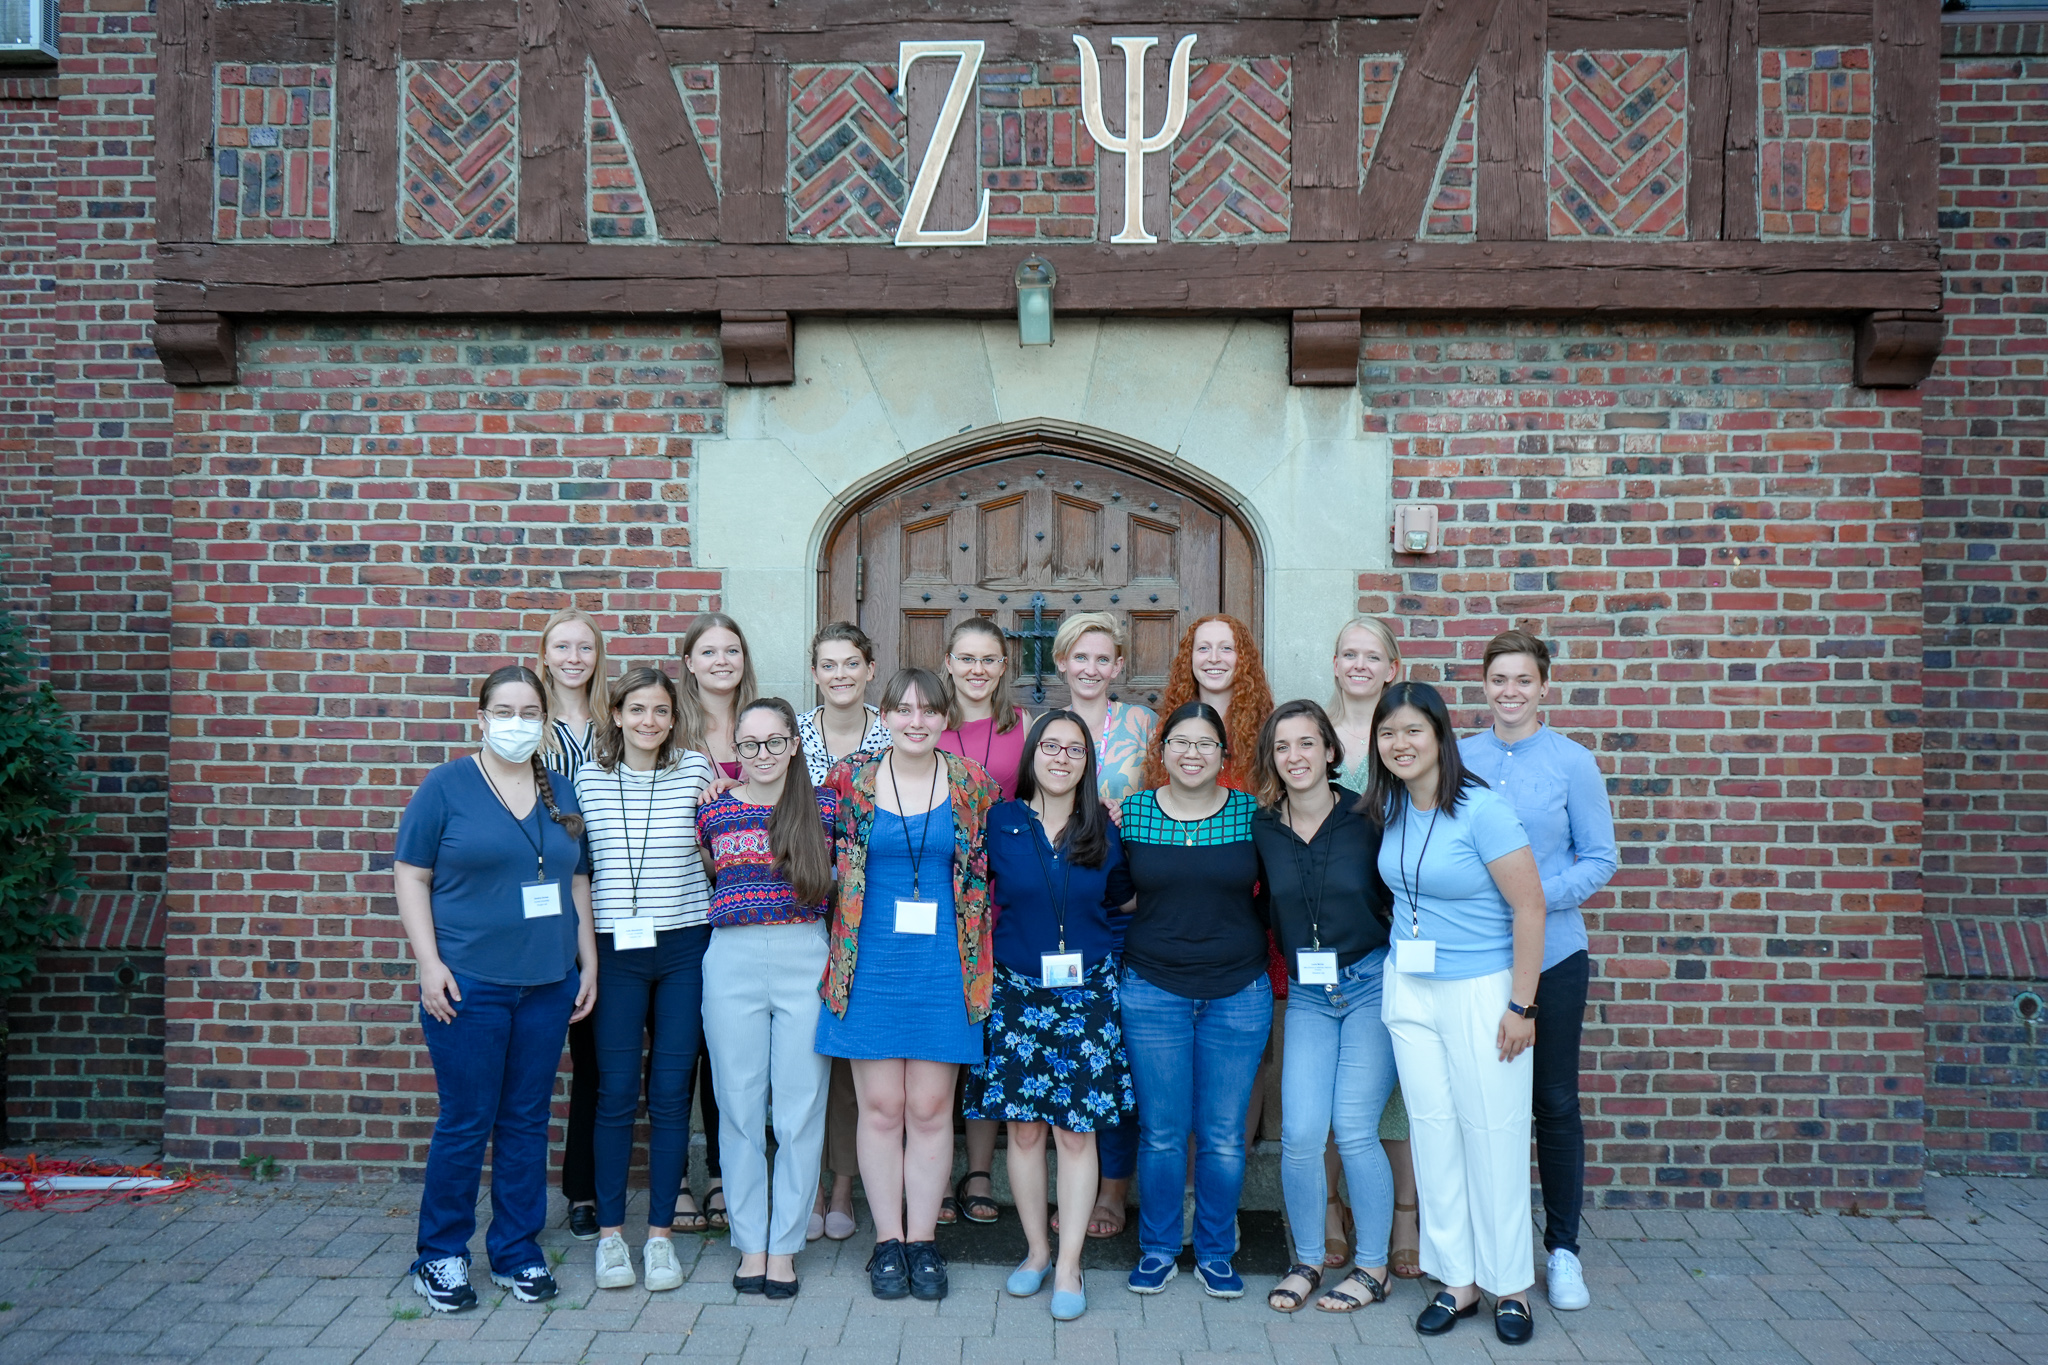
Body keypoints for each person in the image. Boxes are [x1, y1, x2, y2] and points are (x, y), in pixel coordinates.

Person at [394, 665, 598, 1313]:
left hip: (546, 985)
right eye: (504, 710)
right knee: (466, 1119)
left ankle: (516, 1248)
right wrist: (429, 961)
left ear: (544, 719)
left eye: (529, 711)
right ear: (481, 717)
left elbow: (575, 883)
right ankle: (441, 1254)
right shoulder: (447, 786)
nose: (518, 722)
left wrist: (586, 961)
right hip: (469, 983)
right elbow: (409, 873)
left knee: (526, 1119)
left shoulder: (560, 788)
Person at [1363, 681, 1545, 1345]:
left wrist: (1522, 1004)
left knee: (1492, 1132)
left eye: (1413, 730)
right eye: (1388, 733)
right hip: (1410, 988)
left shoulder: (1482, 809)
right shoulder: (1391, 807)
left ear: (1441, 735)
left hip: (1481, 990)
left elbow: (1531, 906)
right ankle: (1457, 1279)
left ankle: (1511, 1286)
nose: (1400, 743)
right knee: (1434, 1132)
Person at [816, 667, 1002, 1303]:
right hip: (868, 965)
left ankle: (923, 1241)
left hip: (947, 967)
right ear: (885, 716)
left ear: (945, 718)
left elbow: (986, 870)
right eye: (902, 709)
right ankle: (886, 1242)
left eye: (928, 710)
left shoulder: (974, 785)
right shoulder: (852, 780)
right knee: (880, 1108)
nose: (915, 721)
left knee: (928, 1109)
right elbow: (812, 849)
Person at [1457, 630, 1617, 1313]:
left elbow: (1600, 857)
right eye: (1499, 679)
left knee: (1551, 1102)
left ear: (1544, 687)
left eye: (1524, 679)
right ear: (1484, 685)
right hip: (1476, 958)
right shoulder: (1460, 757)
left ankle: (1563, 1250)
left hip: (1553, 956)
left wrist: (1531, 896)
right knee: (1481, 1106)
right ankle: (1481, 1246)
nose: (1511, 691)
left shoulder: (1573, 763)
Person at [964, 710, 1136, 1322]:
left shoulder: (1104, 828)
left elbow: (1123, 902)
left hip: (1085, 996)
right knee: (1026, 1130)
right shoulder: (998, 822)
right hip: (1015, 992)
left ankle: (1070, 1266)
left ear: (1087, 764)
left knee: (1075, 1132)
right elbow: (975, 900)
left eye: (1076, 751)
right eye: (1052, 747)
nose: (1062, 759)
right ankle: (1036, 1252)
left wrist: (1104, 964)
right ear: (1033, 753)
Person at [1251, 700, 1398, 1315]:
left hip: (1369, 984)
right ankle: (1307, 1260)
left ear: (1331, 752)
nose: (1296, 757)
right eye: (1283, 747)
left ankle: (1372, 1269)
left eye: (1307, 744)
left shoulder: (1370, 818)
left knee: (1356, 1128)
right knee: (1302, 1134)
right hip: (1310, 996)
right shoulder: (1261, 827)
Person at [1118, 702, 1269, 1299]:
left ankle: (1214, 1250)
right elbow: (1116, 892)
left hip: (1239, 991)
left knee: (1225, 1133)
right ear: (1162, 751)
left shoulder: (1251, 816)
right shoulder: (1132, 814)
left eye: (1206, 744)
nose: (1192, 753)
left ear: (1223, 756)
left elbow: (1273, 893)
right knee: (1160, 1130)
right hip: (1153, 989)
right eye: (1180, 742)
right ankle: (1158, 1248)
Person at [572, 666, 716, 1294]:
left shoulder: (694, 773)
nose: (649, 722)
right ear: (618, 715)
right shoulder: (587, 779)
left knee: (669, 1094)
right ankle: (610, 1239)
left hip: (685, 948)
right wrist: (586, 958)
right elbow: (578, 874)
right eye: (637, 710)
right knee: (612, 1094)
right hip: (616, 953)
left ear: (672, 717)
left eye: (660, 711)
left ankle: (659, 1239)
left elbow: (720, 844)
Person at [698, 698, 840, 1299]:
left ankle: (784, 1247)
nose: (761, 755)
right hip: (731, 957)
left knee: (802, 1106)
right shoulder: (712, 813)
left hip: (804, 954)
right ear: (737, 749)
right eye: (749, 744)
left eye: (773, 742)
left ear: (793, 745)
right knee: (738, 1105)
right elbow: (710, 876)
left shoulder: (827, 809)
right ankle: (749, 1241)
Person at [1049, 611, 1154, 1239]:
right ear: (1061, 662)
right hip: (1065, 914)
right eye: (1078, 657)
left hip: (1128, 908)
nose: (1090, 669)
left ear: (1118, 666)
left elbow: (1175, 793)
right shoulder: (1045, 728)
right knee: (1072, 1053)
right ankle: (1074, 1180)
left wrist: (1128, 809)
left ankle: (1112, 1191)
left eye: (1102, 658)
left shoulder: (1143, 726)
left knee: (1121, 1054)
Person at [1328, 616, 1422, 1278]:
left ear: (1393, 667)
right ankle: (1332, 1210)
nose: (1359, 663)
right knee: (1334, 1084)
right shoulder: (1311, 732)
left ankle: (1402, 1218)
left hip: (1401, 926)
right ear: (1334, 663)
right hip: (1328, 932)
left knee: (1398, 1085)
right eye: (1348, 653)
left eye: (1372, 655)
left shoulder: (1405, 735)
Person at [794, 620, 891, 1244]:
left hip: (874, 910)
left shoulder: (892, 733)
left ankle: (843, 1190)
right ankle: (804, 1185)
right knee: (808, 1057)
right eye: (828, 665)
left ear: (869, 670)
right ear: (815, 673)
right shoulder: (794, 736)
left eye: (850, 664)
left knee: (858, 1054)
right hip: (805, 903)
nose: (840, 676)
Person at [935, 616, 1031, 1226]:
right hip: (943, 900)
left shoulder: (1025, 727)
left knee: (990, 1042)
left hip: (1007, 899)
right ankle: (937, 1169)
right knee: (944, 1037)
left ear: (1003, 667)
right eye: (966, 658)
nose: (976, 670)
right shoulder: (929, 727)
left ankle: (977, 1171)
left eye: (988, 660)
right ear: (948, 662)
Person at [675, 612, 759, 1231]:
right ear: (689, 662)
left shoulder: (764, 728)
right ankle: (678, 1178)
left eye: (732, 650)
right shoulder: (669, 729)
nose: (721, 661)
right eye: (709, 651)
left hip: (744, 910)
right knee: (683, 1048)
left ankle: (727, 1178)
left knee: (733, 1054)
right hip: (683, 906)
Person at [536, 608, 610, 1241]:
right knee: (565, 1056)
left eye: (585, 646)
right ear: (546, 654)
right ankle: (575, 1190)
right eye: (562, 646)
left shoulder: (616, 725)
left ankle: (587, 1188)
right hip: (553, 902)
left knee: (601, 1058)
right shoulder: (531, 729)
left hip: (619, 899)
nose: (574, 657)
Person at [1140, 613, 1273, 794]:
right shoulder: (1166, 731)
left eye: (1226, 648)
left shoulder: (1267, 732)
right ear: (1190, 658)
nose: (1213, 658)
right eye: (1203, 648)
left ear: (1243, 659)